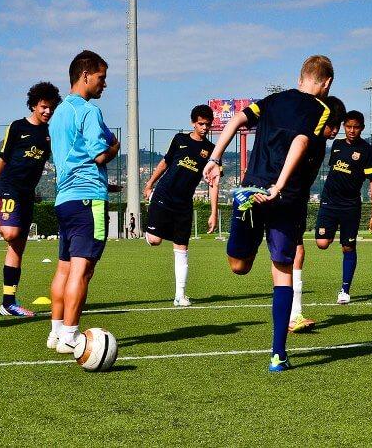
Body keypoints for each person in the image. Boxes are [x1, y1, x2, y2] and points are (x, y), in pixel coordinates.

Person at [203, 55, 334, 372]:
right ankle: (277, 354)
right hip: (283, 197)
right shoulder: (322, 110)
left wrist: (216, 158)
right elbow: (301, 142)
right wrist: (279, 185)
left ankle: (279, 353)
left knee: (240, 266)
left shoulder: (272, 100)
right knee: (280, 269)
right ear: (326, 83)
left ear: (301, 76)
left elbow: (235, 121)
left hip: (251, 190)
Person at [46, 50, 120, 354]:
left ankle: (55, 332)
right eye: (102, 78)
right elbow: (100, 154)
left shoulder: (58, 113)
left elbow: (76, 158)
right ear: (86, 75)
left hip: (65, 199)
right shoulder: (88, 111)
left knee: (64, 268)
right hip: (89, 199)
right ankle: (71, 335)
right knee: (83, 268)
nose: (104, 84)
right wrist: (115, 145)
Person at [0, 82, 61, 318]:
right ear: (33, 105)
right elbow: (3, 158)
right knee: (9, 233)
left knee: (17, 247)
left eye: (51, 108)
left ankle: (8, 302)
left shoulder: (50, 134)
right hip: (8, 186)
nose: (47, 112)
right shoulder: (18, 126)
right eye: (43, 107)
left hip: (27, 194)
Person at [142, 105, 219, 307]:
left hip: (184, 203)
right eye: (201, 124)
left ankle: (180, 295)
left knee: (182, 248)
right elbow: (165, 162)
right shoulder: (180, 140)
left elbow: (213, 183)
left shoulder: (210, 151)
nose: (204, 127)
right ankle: (150, 224)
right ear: (193, 123)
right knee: (155, 240)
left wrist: (213, 212)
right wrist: (150, 183)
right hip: (164, 195)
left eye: (208, 124)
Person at [289, 96, 346, 332]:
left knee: (295, 252)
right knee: (242, 263)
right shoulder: (304, 138)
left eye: (337, 126)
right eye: (331, 125)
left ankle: (294, 315)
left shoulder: (322, 145)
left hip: (296, 200)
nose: (334, 131)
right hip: (283, 198)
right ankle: (292, 315)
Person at [314, 110, 372, 305]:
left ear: (362, 128)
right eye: (348, 126)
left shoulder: (368, 151)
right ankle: (335, 231)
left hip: (350, 205)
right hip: (329, 201)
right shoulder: (336, 145)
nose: (352, 131)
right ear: (344, 126)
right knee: (322, 243)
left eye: (356, 127)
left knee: (348, 246)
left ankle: (345, 290)